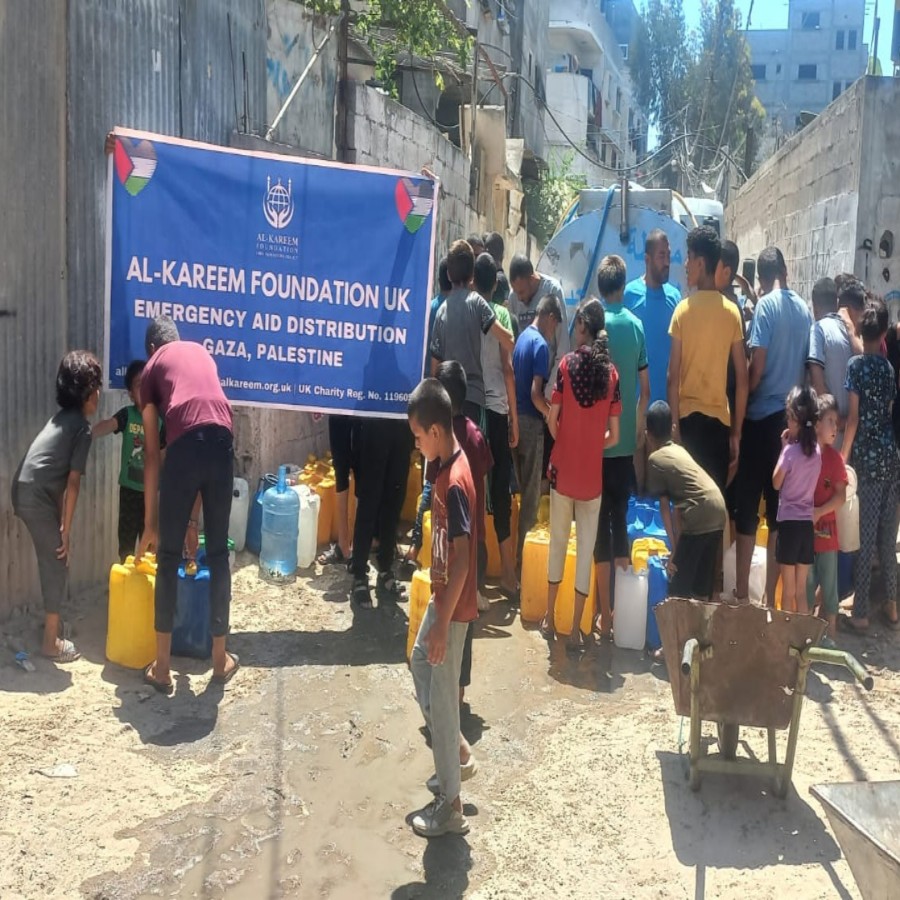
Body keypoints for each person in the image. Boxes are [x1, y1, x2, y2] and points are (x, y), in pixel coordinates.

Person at [136, 316, 237, 692]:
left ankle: (161, 670)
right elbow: (206, 429)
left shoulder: (151, 369)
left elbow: (151, 453)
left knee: (167, 558)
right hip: (223, 441)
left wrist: (150, 522)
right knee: (218, 556)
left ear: (151, 349)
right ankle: (219, 660)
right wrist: (193, 523)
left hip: (185, 448)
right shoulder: (201, 353)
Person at [406, 378, 477, 837]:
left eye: (416, 436)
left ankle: (449, 805)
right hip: (442, 597)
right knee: (420, 667)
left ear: (434, 430)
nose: (415, 445)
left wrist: (441, 623)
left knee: (444, 700)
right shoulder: (444, 465)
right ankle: (458, 756)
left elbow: (466, 557)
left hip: (452, 604)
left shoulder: (454, 479)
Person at [733, 247, 813, 607]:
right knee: (780, 510)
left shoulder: (764, 306)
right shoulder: (803, 310)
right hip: (790, 423)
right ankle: (769, 597)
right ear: (785, 268)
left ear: (762, 278)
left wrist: (744, 396)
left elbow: (758, 364)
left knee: (748, 506)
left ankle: (740, 593)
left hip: (761, 418)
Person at [12, 350, 102, 662]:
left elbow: (60, 478)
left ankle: (52, 625)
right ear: (90, 394)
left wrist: (62, 525)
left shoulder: (62, 419)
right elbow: (73, 481)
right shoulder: (82, 429)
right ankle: (51, 643)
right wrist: (66, 531)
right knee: (57, 561)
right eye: (98, 387)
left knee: (54, 558)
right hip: (35, 497)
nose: (100, 394)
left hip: (25, 489)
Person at [541, 299, 621, 651]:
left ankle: (547, 617)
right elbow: (615, 436)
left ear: (584, 327)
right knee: (586, 551)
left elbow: (552, 419)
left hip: (564, 473)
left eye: (575, 326)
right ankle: (575, 628)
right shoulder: (612, 374)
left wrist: (569, 440)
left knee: (558, 544)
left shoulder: (566, 365)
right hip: (592, 480)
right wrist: (591, 443)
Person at [668, 226, 747, 495]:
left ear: (701, 263)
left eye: (689, 257)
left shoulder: (682, 312)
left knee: (686, 508)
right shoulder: (732, 313)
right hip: (719, 427)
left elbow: (672, 376)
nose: (686, 264)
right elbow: (743, 380)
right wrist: (736, 432)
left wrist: (674, 427)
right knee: (714, 511)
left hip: (688, 424)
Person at [594, 255, 648, 637]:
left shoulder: (595, 326)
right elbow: (644, 389)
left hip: (596, 446)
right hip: (626, 443)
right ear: (624, 286)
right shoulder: (636, 326)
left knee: (599, 529)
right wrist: (637, 427)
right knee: (621, 526)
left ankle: (604, 615)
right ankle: (622, 608)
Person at [434, 361, 493, 701]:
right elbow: (484, 471)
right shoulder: (473, 433)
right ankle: (457, 695)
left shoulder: (442, 441)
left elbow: (436, 490)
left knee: (451, 620)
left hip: (453, 550)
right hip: (475, 541)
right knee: (465, 621)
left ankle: (448, 705)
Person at [841, 298, 900, 631]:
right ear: (883, 337)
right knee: (887, 537)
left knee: (864, 537)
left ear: (864, 333)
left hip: (868, 461)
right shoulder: (889, 369)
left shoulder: (855, 367)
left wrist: (842, 458)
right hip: (892, 458)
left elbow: (852, 419)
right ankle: (891, 607)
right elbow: (886, 411)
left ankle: (860, 612)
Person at [644, 401, 727, 603]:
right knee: (701, 588)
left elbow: (667, 509)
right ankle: (701, 632)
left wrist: (675, 551)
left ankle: (679, 634)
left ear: (648, 434)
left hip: (699, 515)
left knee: (678, 590)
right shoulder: (681, 450)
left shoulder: (655, 460)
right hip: (718, 509)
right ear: (672, 429)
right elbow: (681, 506)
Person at [475, 252, 519, 598]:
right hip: (500, 410)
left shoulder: (467, 310)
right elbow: (508, 369)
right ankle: (508, 575)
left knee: (473, 488)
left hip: (475, 409)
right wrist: (514, 419)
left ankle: (475, 574)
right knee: (501, 491)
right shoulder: (502, 314)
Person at [431, 240, 514, 424]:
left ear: (448, 274)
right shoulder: (477, 303)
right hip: (473, 399)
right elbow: (508, 340)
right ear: (472, 276)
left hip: (447, 402)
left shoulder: (441, 311)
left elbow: (434, 367)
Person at [93, 359, 166, 562]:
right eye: (139, 385)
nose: (145, 389)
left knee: (150, 547)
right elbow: (109, 424)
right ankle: (125, 582)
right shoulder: (127, 415)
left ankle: (145, 586)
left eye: (149, 384)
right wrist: (87, 434)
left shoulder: (161, 421)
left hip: (150, 495)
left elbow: (162, 458)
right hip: (128, 492)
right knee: (125, 546)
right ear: (131, 394)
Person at [512, 295, 562, 571]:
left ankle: (516, 560)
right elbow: (535, 394)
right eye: (555, 326)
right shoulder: (541, 345)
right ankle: (524, 565)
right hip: (531, 425)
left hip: (514, 423)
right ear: (550, 317)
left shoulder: (521, 339)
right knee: (530, 501)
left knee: (520, 496)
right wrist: (550, 414)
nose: (553, 332)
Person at [349, 417, 414, 607]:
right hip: (373, 422)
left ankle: (386, 567)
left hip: (402, 426)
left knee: (394, 501)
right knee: (369, 502)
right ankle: (359, 575)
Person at [772, 386, 821, 615]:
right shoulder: (817, 452)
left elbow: (776, 482)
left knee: (787, 592)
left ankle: (785, 640)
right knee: (801, 592)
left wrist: (784, 450)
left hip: (789, 526)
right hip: (806, 528)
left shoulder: (790, 453)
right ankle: (803, 640)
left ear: (794, 419)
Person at [806, 394, 848, 648]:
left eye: (836, 422)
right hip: (806, 537)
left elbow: (841, 496)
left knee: (830, 589)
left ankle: (830, 636)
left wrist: (819, 512)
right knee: (807, 586)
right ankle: (808, 637)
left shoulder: (834, 459)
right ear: (817, 423)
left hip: (829, 536)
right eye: (830, 421)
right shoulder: (805, 454)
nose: (835, 427)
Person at [624, 229, 681, 405]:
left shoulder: (675, 298)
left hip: (665, 409)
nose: (667, 262)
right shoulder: (629, 295)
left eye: (669, 255)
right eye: (661, 256)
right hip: (636, 407)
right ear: (647, 259)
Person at [806, 277, 863, 451]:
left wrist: (834, 419)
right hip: (852, 430)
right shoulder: (851, 332)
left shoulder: (818, 329)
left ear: (815, 307)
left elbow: (817, 377)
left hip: (831, 431)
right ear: (837, 302)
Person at [507, 255, 569, 390]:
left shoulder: (552, 291)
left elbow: (563, 347)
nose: (519, 298)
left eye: (522, 292)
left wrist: (549, 392)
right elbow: (512, 345)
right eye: (516, 292)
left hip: (547, 384)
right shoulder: (513, 298)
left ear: (532, 279)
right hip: (523, 386)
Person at [316, 415, 357, 566]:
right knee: (341, 471)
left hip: (365, 411)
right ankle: (343, 545)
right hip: (340, 407)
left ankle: (359, 548)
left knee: (363, 474)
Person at [425, 258, 452, 378]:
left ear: (439, 281)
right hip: (448, 381)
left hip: (426, 378)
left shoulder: (428, 308)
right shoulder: (458, 309)